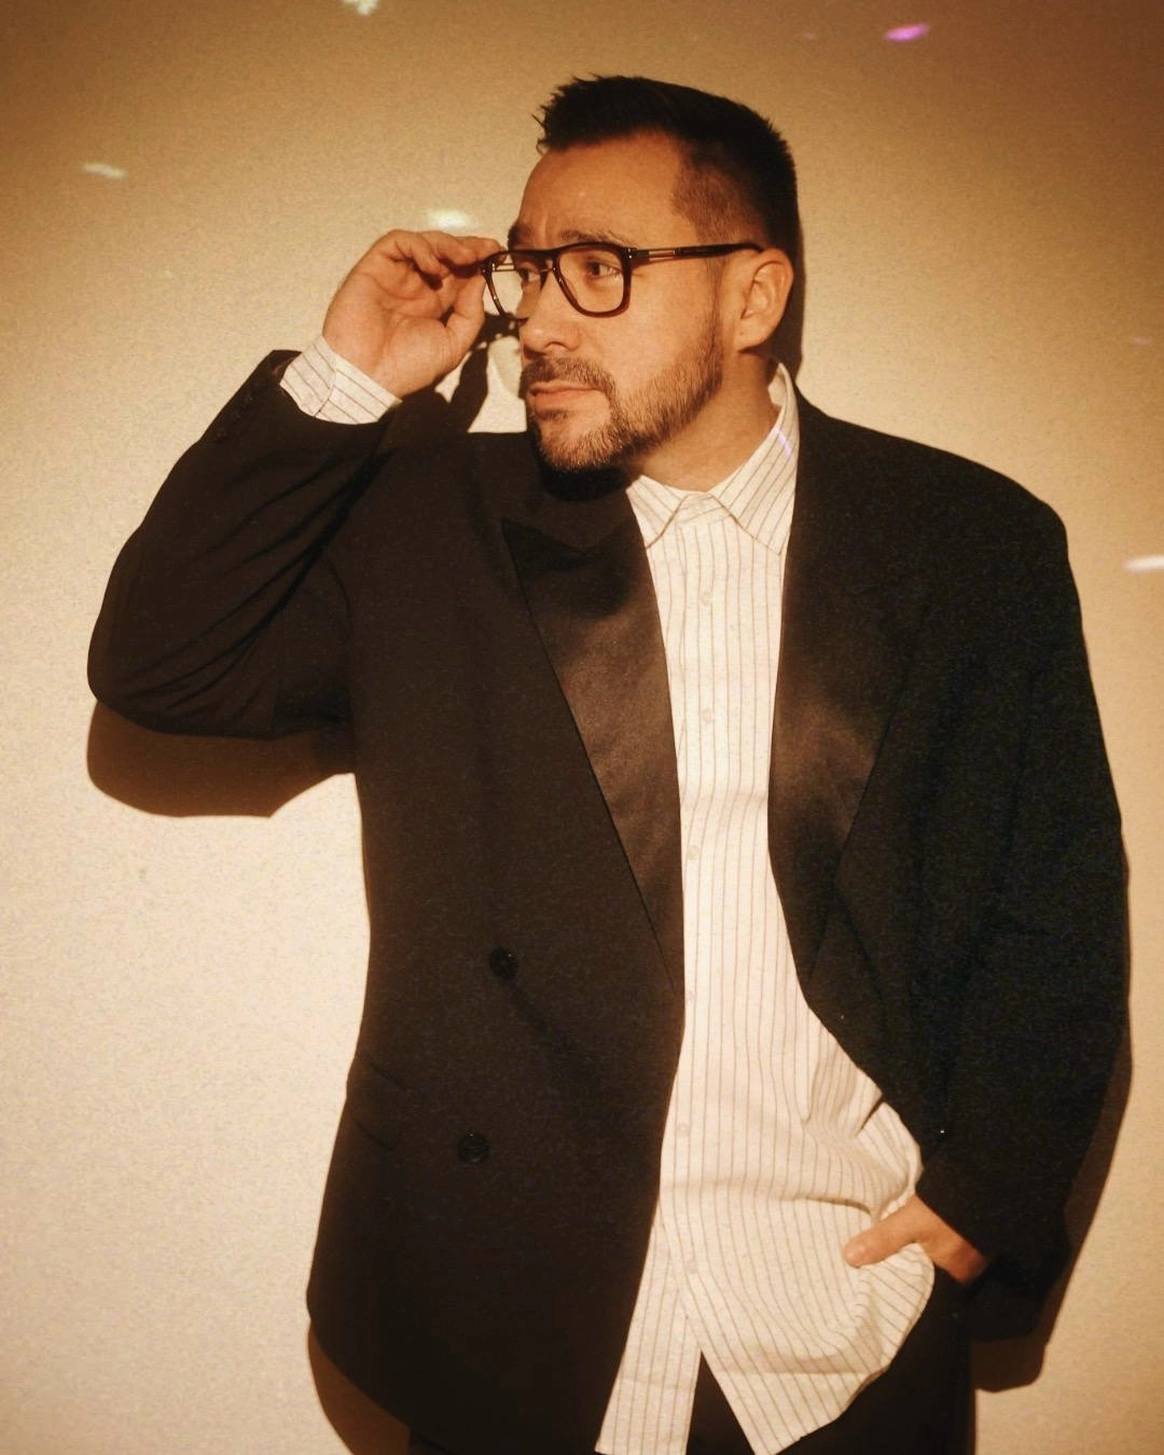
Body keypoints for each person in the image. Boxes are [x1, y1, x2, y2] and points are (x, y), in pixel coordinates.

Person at [89, 75, 1126, 1455]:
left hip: (842, 1320)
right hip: (504, 1313)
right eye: (530, 270)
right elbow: (163, 664)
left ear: (753, 295)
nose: (540, 323)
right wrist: (347, 373)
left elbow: (1055, 904)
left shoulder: (971, 543)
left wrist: (991, 1191)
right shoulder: (434, 526)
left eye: (598, 267)